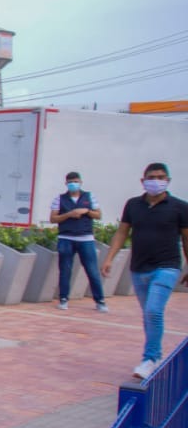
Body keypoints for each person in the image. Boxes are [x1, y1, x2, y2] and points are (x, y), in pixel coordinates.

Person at [100, 162, 188, 380]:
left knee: (153, 311)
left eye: (161, 177)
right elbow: (122, 233)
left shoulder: (179, 207)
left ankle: (150, 357)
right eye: (152, 176)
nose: (156, 180)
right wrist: (110, 258)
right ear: (143, 180)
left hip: (167, 267)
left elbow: (187, 238)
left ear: (167, 180)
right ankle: (154, 356)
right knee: (148, 315)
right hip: (139, 268)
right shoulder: (133, 205)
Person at [50, 171, 107, 312]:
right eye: (70, 182)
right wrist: (69, 214)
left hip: (85, 238)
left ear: (81, 182)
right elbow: (53, 218)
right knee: (65, 270)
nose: (73, 184)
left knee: (92, 270)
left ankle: (100, 300)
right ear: (66, 183)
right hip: (66, 238)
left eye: (75, 181)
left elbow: (98, 215)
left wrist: (86, 211)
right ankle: (63, 299)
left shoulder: (89, 197)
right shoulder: (60, 199)